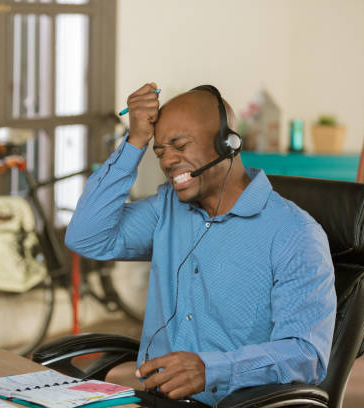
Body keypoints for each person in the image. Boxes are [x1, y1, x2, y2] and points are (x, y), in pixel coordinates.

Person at [64, 82, 337, 406]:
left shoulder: (295, 233)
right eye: (161, 151)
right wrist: (135, 141)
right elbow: (85, 235)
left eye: (180, 145)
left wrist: (212, 370)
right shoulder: (165, 210)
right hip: (155, 401)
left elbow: (306, 355)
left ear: (227, 143)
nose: (168, 161)